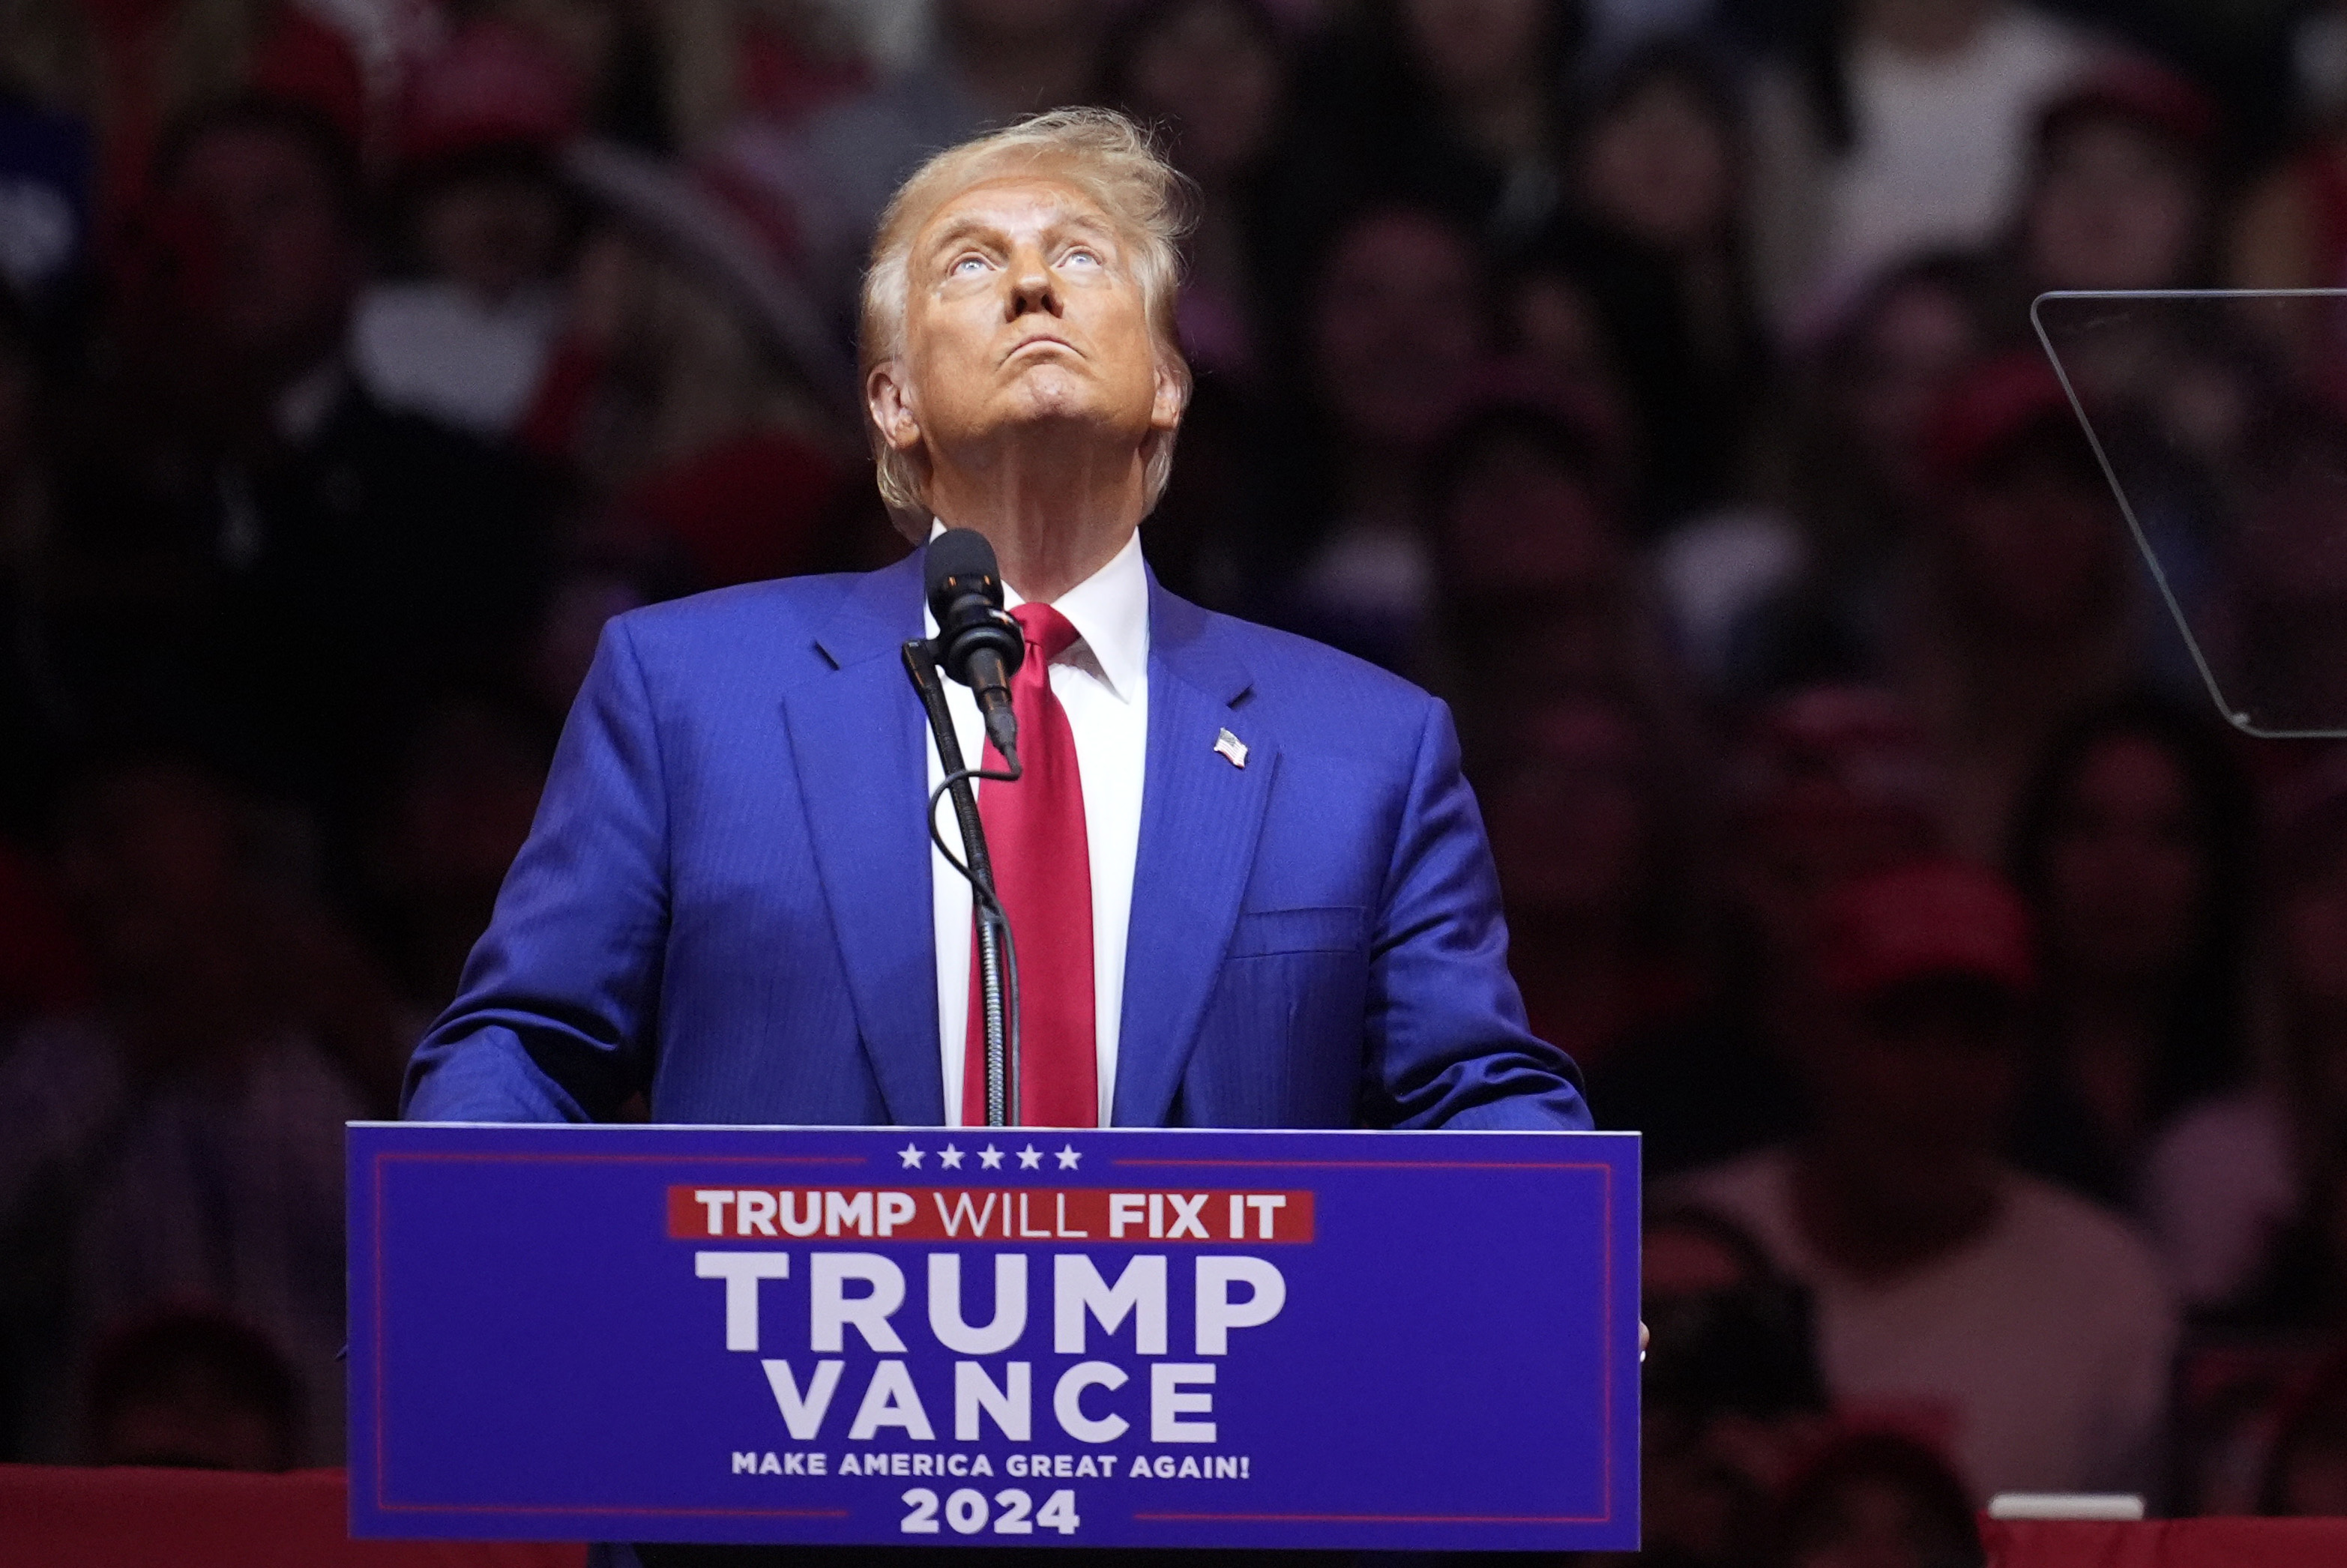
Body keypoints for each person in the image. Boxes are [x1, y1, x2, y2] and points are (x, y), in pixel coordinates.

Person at [404, 107, 1587, 1135]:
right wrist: (452, 1261)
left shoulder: (1365, 751)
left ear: (1169, 384)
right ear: (893, 401)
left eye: (1081, 257)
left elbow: (1473, 1095)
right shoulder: (687, 694)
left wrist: (1562, 1265)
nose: (1032, 285)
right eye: (970, 265)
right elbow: (523, 1048)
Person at [1672, 857, 2179, 1501]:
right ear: (1811, 1035)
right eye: (1898, 1029)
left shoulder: (2107, 1286)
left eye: (1976, 1035)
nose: (1939, 1081)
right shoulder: (1679, 1254)